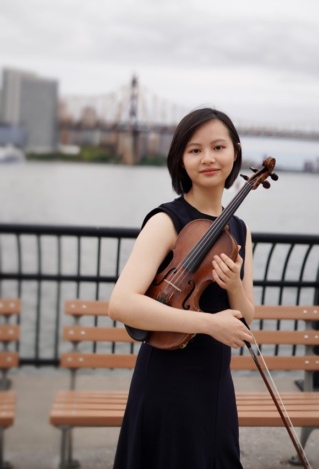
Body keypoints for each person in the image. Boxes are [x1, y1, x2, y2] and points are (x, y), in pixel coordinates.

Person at [108, 107, 255, 469]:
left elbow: (247, 318)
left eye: (218, 147)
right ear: (181, 160)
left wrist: (234, 286)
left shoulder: (240, 230)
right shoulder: (166, 221)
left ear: (235, 152)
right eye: (194, 150)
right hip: (166, 383)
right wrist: (208, 324)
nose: (208, 158)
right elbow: (121, 304)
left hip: (217, 384)